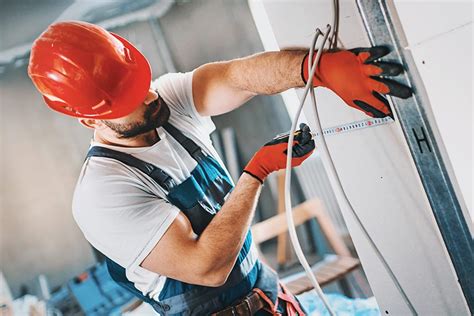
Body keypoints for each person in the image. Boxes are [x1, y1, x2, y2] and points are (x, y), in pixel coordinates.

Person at [28, 21, 410, 315]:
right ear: (90, 120)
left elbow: (238, 77)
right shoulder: (104, 192)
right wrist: (257, 172)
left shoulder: (168, 102)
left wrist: (316, 69)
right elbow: (206, 267)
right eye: (129, 98)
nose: (148, 95)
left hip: (268, 294)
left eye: (140, 82)